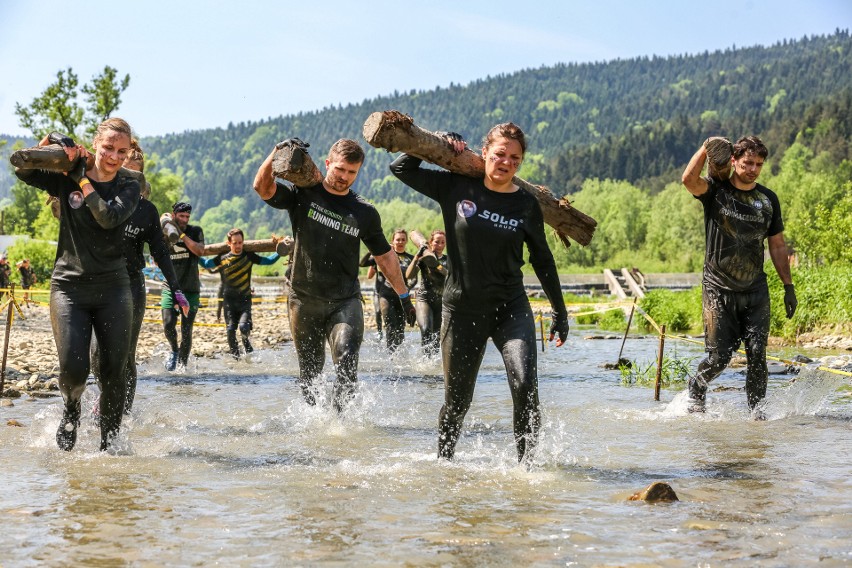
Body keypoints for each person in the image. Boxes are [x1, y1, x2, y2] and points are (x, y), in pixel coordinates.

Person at [389, 123, 570, 463]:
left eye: (514, 158)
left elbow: (543, 261)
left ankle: (527, 473)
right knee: (457, 403)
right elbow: (400, 168)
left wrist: (560, 312)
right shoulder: (456, 187)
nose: (505, 162)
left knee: (525, 389)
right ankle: (445, 463)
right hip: (461, 311)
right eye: (499, 154)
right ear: (485, 153)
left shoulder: (526, 205)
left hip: (510, 309)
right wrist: (441, 141)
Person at [253, 137, 415, 411]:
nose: (344, 177)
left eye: (351, 172)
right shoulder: (304, 192)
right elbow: (262, 187)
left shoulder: (364, 211)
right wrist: (277, 151)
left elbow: (385, 257)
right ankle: (317, 431)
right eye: (339, 170)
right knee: (311, 375)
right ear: (328, 164)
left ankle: (340, 426)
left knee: (347, 358)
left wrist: (404, 295)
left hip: (344, 301)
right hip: (303, 300)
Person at [13, 118, 141, 451]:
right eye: (108, 147)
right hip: (69, 287)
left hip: (114, 289)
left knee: (114, 372)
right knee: (74, 369)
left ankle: (108, 447)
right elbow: (23, 170)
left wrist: (81, 179)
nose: (114, 156)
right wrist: (48, 148)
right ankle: (71, 409)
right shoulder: (67, 175)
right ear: (96, 144)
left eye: (121, 151)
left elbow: (107, 216)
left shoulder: (129, 185)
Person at [681, 136, 797, 417]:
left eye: (759, 164)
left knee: (758, 355)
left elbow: (778, 245)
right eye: (748, 163)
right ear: (734, 160)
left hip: (755, 291)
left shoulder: (768, 200)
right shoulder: (715, 191)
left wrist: (788, 286)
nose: (754, 169)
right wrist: (706, 147)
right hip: (718, 289)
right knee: (720, 358)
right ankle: (696, 387)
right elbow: (688, 179)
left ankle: (757, 416)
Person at [90, 141, 189, 413]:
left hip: (130, 286)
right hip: (96, 283)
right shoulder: (99, 200)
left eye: (134, 175)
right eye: (124, 173)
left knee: (125, 356)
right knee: (96, 355)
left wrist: (176, 289)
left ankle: (124, 412)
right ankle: (108, 395)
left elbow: (160, 252)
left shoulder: (146, 210)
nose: (128, 181)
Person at [199, 228, 280, 359]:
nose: (238, 246)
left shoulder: (249, 256)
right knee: (230, 331)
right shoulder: (222, 258)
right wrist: (194, 253)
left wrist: (280, 251)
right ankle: (236, 360)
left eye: (240, 243)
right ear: (229, 243)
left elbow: (268, 261)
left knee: (243, 327)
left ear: (243, 242)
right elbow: (207, 263)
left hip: (245, 301)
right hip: (229, 302)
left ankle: (248, 348)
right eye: (235, 243)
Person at [162, 201, 205, 371]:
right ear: (174, 215)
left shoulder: (195, 231)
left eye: (187, 216)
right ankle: (174, 350)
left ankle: (182, 366)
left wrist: (180, 234)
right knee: (167, 323)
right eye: (181, 216)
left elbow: (199, 251)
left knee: (186, 330)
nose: (185, 219)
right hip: (170, 287)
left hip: (191, 288)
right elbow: (157, 257)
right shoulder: (164, 232)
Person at [359, 228, 416, 352]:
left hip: (401, 297)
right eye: (398, 239)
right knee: (390, 326)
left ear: (406, 241)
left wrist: (408, 288)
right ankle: (391, 356)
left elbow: (414, 279)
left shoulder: (410, 258)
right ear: (393, 241)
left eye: (403, 239)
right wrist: (371, 251)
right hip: (385, 295)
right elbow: (362, 264)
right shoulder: (384, 256)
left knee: (400, 329)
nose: (400, 242)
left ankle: (399, 357)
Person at [405, 229, 449, 356]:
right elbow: (409, 275)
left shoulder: (448, 260)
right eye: (436, 242)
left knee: (436, 336)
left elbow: (450, 276)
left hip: (441, 301)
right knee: (425, 330)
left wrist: (437, 266)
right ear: (431, 242)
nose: (439, 245)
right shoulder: (425, 257)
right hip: (424, 299)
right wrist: (417, 257)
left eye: (442, 242)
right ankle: (424, 362)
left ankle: (432, 364)